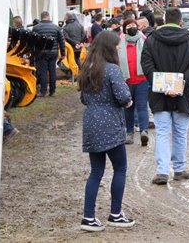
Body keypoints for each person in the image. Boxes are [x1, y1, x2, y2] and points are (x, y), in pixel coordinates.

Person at [78, 31, 135, 232]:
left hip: (91, 121)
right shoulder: (112, 70)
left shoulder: (87, 68)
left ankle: (88, 217)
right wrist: (128, 102)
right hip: (110, 121)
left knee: (96, 172)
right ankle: (115, 214)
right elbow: (123, 96)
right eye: (117, 46)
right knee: (120, 168)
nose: (119, 49)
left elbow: (83, 99)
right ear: (110, 48)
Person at [142, 8, 189, 185]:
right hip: (183, 94)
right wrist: (180, 84)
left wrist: (161, 84)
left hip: (159, 94)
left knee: (162, 132)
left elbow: (146, 64)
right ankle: (179, 168)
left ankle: (162, 171)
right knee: (180, 132)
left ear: (165, 20)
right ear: (181, 21)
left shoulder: (152, 40)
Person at [119, 17, 150, 147]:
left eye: (133, 24)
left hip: (142, 79)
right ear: (124, 29)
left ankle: (144, 131)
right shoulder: (119, 42)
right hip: (126, 80)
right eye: (128, 25)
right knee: (128, 108)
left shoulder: (144, 40)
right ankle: (129, 133)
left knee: (142, 106)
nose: (131, 27)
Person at [33, 11, 66, 97]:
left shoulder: (36, 28)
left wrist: (34, 53)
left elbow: (34, 42)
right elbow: (62, 41)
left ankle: (43, 91)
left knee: (43, 72)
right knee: (52, 71)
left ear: (41, 17)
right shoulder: (56, 28)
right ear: (48, 16)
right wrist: (63, 53)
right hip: (53, 52)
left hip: (41, 53)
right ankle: (52, 91)